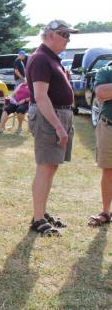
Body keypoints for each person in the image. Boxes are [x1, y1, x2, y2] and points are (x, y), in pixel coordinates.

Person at [26, 19, 78, 236]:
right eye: (64, 35)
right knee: (45, 166)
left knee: (51, 166)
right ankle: (38, 220)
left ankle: (41, 212)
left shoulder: (51, 58)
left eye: (69, 35)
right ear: (49, 35)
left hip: (58, 114)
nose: (68, 39)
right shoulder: (40, 58)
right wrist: (58, 126)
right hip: (50, 117)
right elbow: (40, 96)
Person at [88, 62, 112, 226]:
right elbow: (101, 92)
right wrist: (105, 93)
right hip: (108, 126)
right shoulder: (106, 70)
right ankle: (105, 212)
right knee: (108, 169)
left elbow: (106, 92)